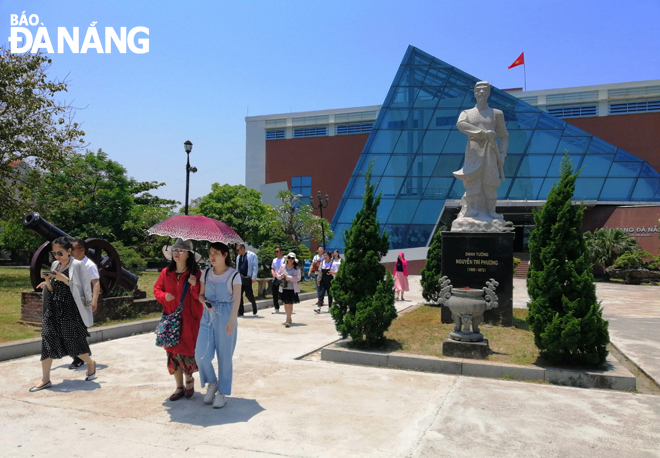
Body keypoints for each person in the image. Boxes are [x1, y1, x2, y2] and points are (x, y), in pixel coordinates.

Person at [30, 237, 96, 392]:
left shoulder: (78, 265)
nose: (57, 256)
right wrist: (47, 282)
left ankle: (90, 363)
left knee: (73, 343)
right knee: (47, 340)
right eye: (54, 253)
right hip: (53, 308)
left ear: (69, 251)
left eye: (60, 253)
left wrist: (64, 279)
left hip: (71, 309)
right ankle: (45, 379)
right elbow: (52, 289)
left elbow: (83, 289)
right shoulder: (55, 265)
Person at [452, 81, 509, 227]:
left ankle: (491, 211)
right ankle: (472, 208)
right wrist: (482, 133)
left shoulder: (497, 114)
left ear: (489, 93)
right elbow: (461, 124)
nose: (481, 92)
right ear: (475, 93)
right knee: (472, 179)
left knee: (491, 180)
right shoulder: (467, 113)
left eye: (484, 90)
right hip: (473, 151)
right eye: (478, 90)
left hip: (491, 151)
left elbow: (503, 136)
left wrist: (502, 154)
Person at [153, 239, 202, 401]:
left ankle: (189, 382)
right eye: (175, 250)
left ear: (188, 254)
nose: (176, 253)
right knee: (172, 353)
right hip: (171, 320)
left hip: (189, 321)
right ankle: (178, 386)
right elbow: (157, 289)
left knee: (186, 353)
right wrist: (163, 296)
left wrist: (195, 286)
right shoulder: (166, 272)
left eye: (181, 250)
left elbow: (199, 297)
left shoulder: (196, 274)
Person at [196, 242, 242, 409]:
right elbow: (200, 295)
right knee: (200, 355)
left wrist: (231, 321)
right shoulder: (205, 273)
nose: (212, 256)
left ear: (225, 255)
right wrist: (204, 302)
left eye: (216, 253)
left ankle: (222, 392)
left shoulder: (234, 275)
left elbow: (237, 299)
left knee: (224, 357)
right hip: (207, 317)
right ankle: (212, 383)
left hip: (226, 317)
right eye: (210, 253)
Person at [68, 238, 101, 370]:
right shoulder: (69, 263)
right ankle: (83, 353)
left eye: (73, 249)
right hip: (69, 299)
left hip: (82, 300)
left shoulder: (89, 265)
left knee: (79, 329)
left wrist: (94, 300)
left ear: (82, 250)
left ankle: (79, 358)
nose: (70, 251)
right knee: (70, 329)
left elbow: (96, 283)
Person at [277, 252, 301, 328]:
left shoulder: (296, 268)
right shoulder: (283, 266)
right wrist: (281, 276)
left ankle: (287, 320)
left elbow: (298, 278)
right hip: (283, 287)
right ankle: (289, 318)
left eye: (292, 258)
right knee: (285, 303)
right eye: (289, 258)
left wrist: (288, 277)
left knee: (290, 303)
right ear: (287, 258)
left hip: (292, 288)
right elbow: (278, 275)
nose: (291, 259)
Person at [235, 243, 258, 316]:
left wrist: (254, 277)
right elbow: (237, 267)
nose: (237, 252)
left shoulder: (252, 255)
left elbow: (255, 267)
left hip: (247, 278)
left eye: (238, 250)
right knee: (239, 295)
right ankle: (240, 312)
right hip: (239, 278)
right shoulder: (238, 257)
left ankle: (254, 306)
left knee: (249, 295)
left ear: (242, 248)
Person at [270, 247, 285, 314]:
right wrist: (273, 272)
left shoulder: (284, 259)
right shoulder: (274, 260)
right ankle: (276, 308)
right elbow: (272, 268)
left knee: (283, 293)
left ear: (281, 252)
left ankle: (287, 306)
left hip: (282, 278)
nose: (276, 253)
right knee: (274, 293)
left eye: (277, 251)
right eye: (275, 252)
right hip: (276, 278)